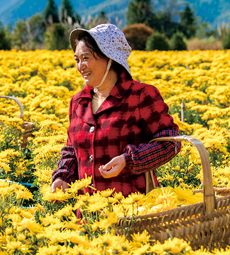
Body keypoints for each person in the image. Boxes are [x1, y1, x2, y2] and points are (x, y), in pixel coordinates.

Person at [51, 23, 181, 196]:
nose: (80, 66)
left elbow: (171, 142)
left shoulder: (141, 95)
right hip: (88, 211)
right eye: (77, 60)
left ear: (110, 58)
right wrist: (62, 176)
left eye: (86, 58)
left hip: (134, 208)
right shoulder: (78, 102)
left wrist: (128, 160)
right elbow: (72, 150)